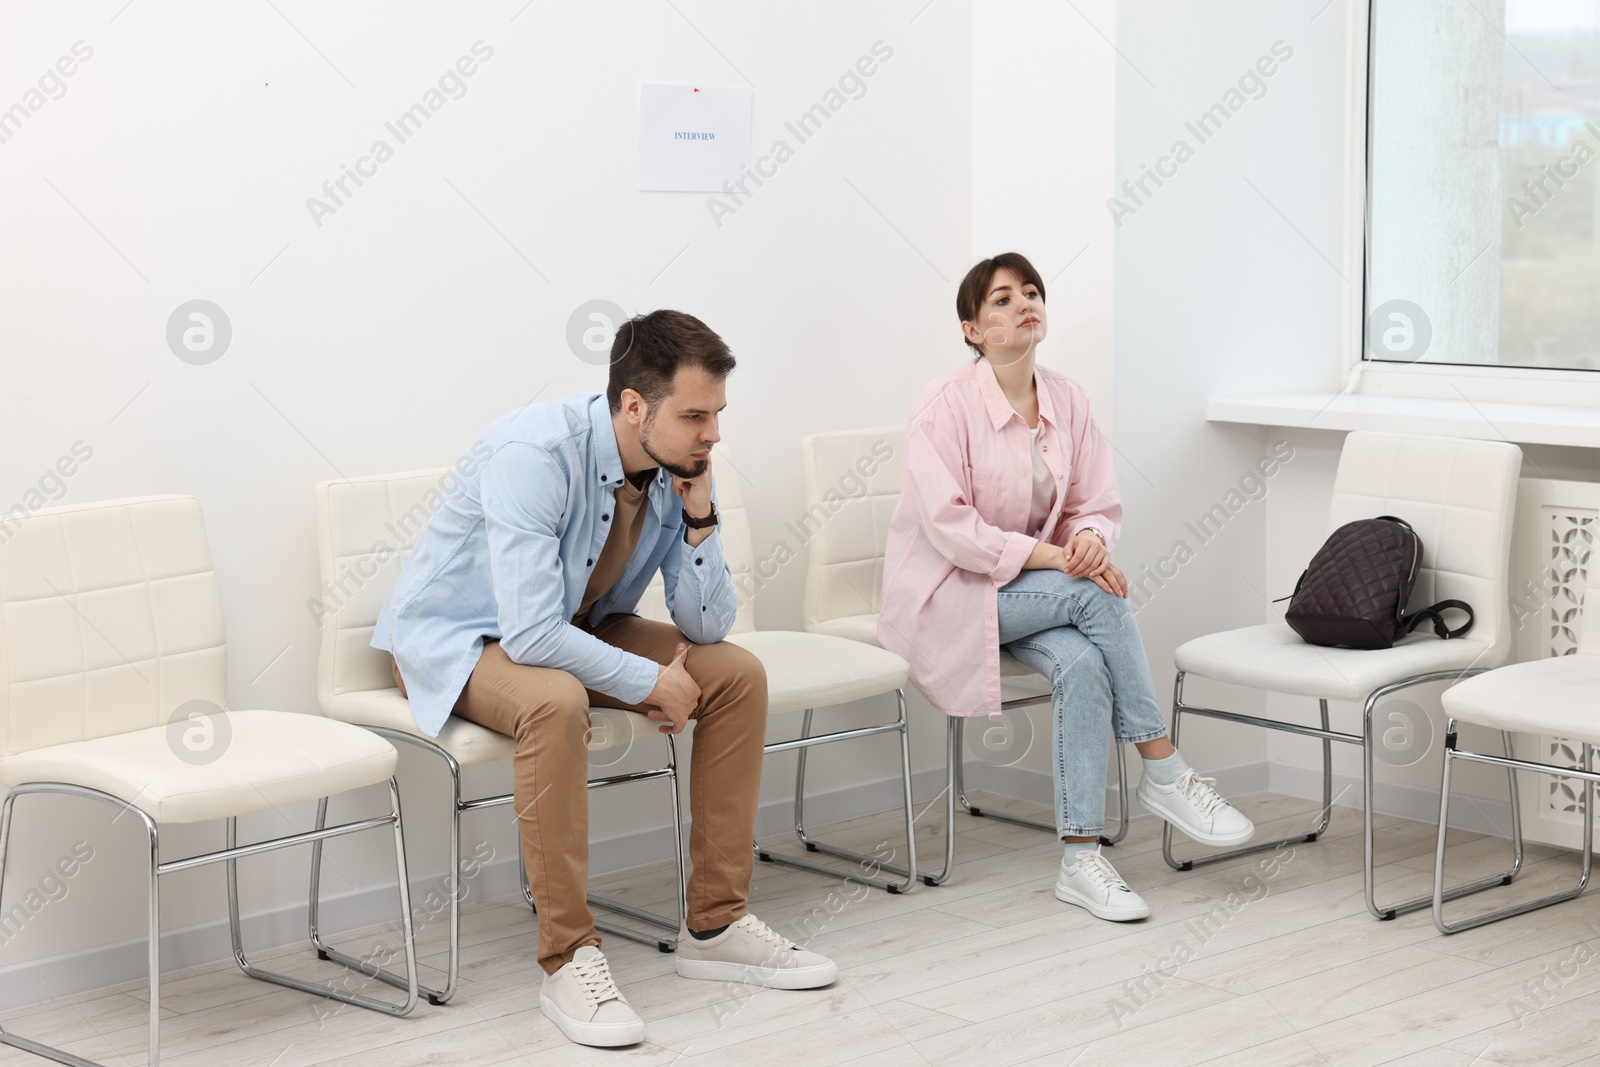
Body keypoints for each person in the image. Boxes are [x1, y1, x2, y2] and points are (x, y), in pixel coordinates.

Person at [373, 309, 835, 1048]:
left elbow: (706, 626)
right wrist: (653, 682)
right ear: (632, 406)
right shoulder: (533, 453)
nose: (712, 433)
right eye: (694, 415)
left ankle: (715, 925)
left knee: (736, 673)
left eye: (717, 414)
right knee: (555, 702)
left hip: (579, 623)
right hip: (459, 638)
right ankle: (569, 958)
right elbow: (528, 634)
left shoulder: (674, 468)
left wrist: (701, 517)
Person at [877, 253, 1255, 922]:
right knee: (1093, 594)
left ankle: (1081, 858)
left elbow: (1095, 499)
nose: (1023, 303)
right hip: (949, 592)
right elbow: (951, 526)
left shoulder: (1068, 398)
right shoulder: (943, 404)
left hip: (1034, 587)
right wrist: (1063, 557)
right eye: (1001, 300)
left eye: (1031, 292)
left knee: (1083, 661)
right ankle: (1162, 766)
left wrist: (1088, 540)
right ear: (972, 328)